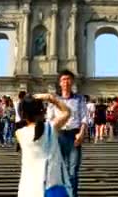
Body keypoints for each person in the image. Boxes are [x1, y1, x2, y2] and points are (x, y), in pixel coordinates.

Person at [16, 93, 72, 197]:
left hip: (29, 189)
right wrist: (51, 98)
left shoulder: (19, 133)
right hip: (52, 188)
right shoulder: (51, 127)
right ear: (42, 111)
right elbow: (67, 112)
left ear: (23, 113)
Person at [46, 69, 88, 197]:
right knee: (60, 170)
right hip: (59, 136)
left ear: (72, 81)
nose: (66, 82)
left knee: (73, 170)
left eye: (68, 79)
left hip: (74, 135)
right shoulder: (54, 100)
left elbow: (84, 118)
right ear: (60, 83)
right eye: (63, 80)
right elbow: (50, 118)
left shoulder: (79, 99)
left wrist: (81, 133)